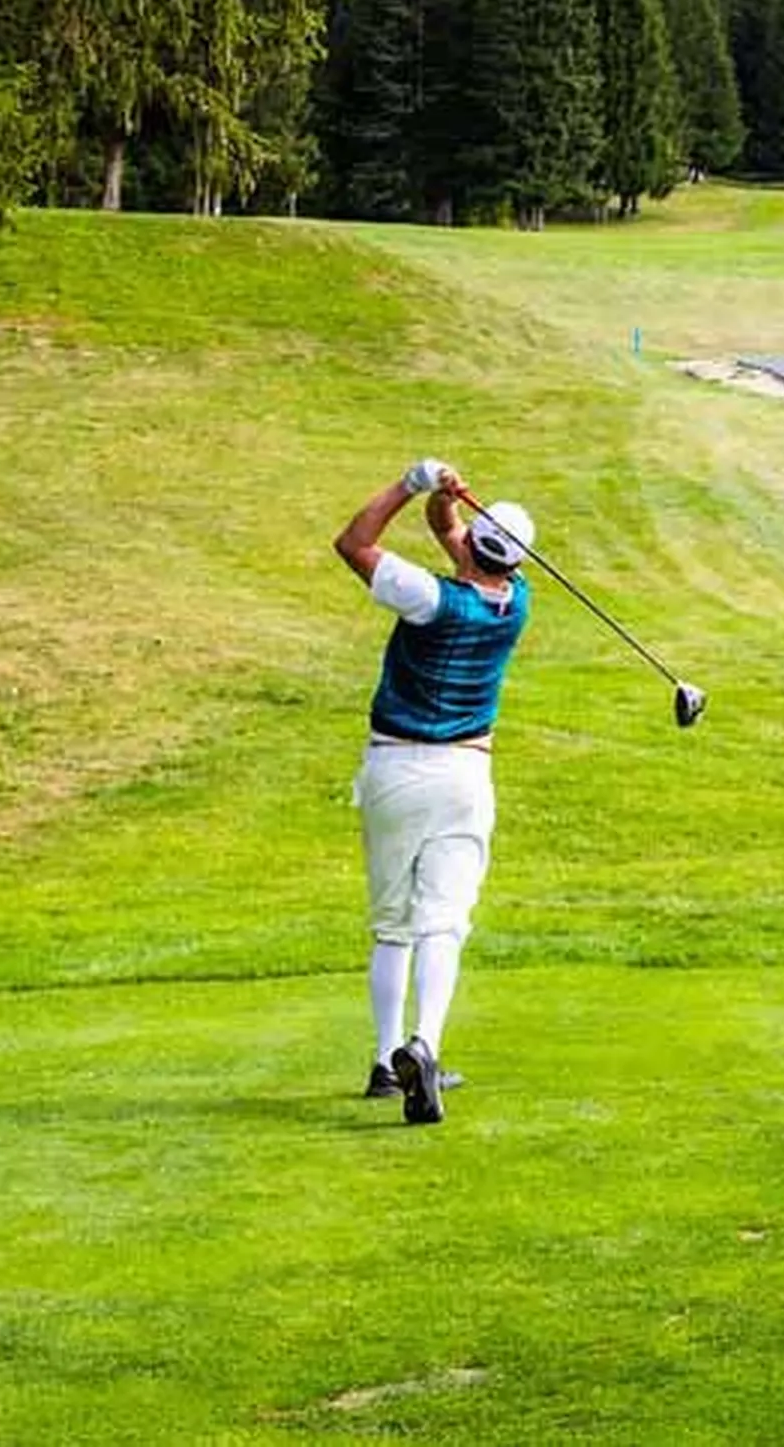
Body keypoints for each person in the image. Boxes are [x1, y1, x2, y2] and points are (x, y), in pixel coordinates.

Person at [331, 457, 537, 1126]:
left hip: (395, 770)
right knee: (444, 920)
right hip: (464, 777)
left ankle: (387, 1059)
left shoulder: (426, 596)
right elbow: (455, 537)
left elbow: (354, 543)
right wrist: (449, 501)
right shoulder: (516, 602)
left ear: (475, 545)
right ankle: (428, 1043)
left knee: (393, 925)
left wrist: (411, 482)